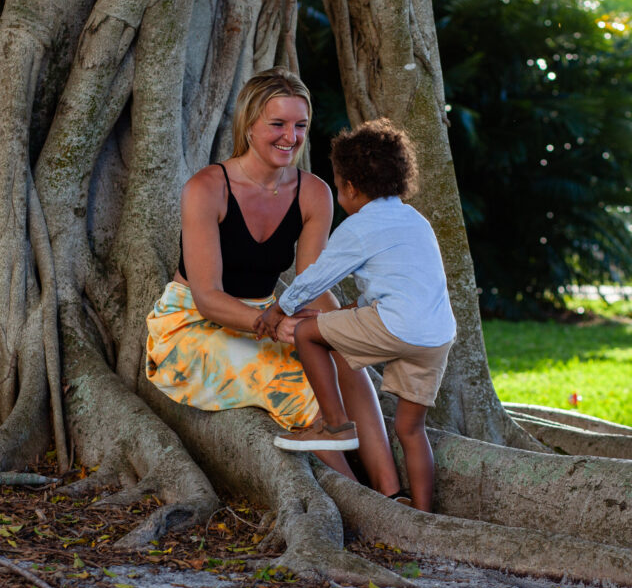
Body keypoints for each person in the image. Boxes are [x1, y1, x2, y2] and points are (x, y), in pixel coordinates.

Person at [145, 68, 401, 495]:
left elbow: (312, 281)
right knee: (293, 378)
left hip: (267, 316)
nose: (291, 137)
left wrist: (345, 332)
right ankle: (362, 499)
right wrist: (277, 323)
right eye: (277, 124)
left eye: (300, 125)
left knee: (349, 365)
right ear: (249, 125)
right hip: (190, 326)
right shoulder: (208, 188)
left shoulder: (313, 192)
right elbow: (207, 298)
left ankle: (391, 492)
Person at [255, 118, 456, 512]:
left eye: (337, 183)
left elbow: (314, 277)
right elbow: (407, 281)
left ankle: (334, 425)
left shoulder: (359, 226)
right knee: (411, 429)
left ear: (349, 187)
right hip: (436, 335)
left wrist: (278, 307)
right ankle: (423, 514)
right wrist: (357, 311)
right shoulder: (416, 221)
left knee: (309, 333)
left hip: (396, 327)